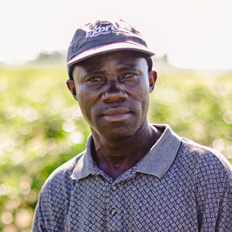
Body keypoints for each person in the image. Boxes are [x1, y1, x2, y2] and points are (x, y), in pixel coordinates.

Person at [32, 19, 232, 231]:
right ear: (73, 90)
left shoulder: (206, 173)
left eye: (128, 75)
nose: (114, 92)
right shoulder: (59, 190)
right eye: (95, 79)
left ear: (151, 80)